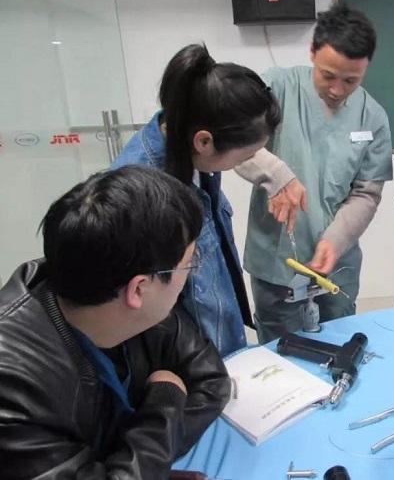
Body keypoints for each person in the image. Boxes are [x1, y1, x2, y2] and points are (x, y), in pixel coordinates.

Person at [0, 166, 230, 479]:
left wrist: (138, 463)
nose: (191, 274)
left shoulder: (115, 279)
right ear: (139, 289)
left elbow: (211, 379)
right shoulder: (13, 387)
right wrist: (164, 404)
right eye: (190, 263)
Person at [113, 43, 301, 356]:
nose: (253, 161)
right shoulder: (140, 198)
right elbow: (139, 317)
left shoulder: (188, 146)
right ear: (204, 142)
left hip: (217, 351)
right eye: (247, 155)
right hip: (185, 363)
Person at [240, 4, 393, 343]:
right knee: (281, 353)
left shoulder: (373, 117)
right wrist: (277, 175)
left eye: (351, 80)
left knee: (340, 347)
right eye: (328, 75)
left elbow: (366, 194)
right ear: (312, 52)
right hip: (278, 260)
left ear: (366, 68)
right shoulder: (276, 88)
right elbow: (231, 139)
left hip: (338, 264)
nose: (337, 89)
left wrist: (334, 241)